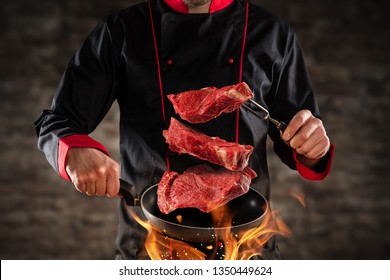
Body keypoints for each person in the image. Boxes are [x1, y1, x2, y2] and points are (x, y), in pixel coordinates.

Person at [35, 0, 334, 259]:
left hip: (247, 247)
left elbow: (301, 140)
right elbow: (57, 122)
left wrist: (312, 146)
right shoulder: (121, 30)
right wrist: (73, 150)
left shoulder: (273, 34)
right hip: (149, 247)